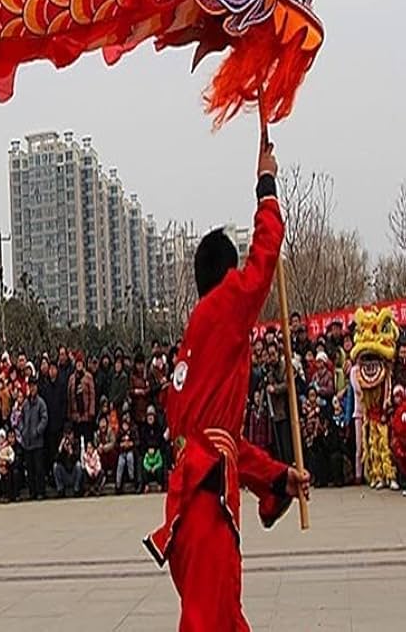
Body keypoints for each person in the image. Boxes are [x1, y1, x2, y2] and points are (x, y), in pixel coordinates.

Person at [144, 144, 310, 631]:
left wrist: (278, 478)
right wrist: (266, 187)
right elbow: (264, 260)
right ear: (224, 276)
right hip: (206, 505)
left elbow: (224, 443)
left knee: (225, 622)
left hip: (202, 500)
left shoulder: (199, 344)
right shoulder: (222, 307)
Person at [20, 379, 48, 500]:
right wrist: (23, 430)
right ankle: (32, 492)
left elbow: (44, 418)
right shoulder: (25, 404)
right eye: (30, 387)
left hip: (37, 442)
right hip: (27, 442)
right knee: (30, 469)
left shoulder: (41, 403)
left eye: (34, 387)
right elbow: (21, 418)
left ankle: (41, 491)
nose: (32, 389)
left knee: (39, 468)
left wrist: (38, 430)